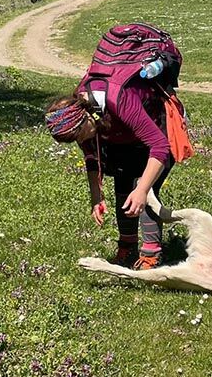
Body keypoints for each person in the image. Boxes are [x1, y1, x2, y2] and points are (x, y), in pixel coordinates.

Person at [47, 77, 173, 270]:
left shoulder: (119, 101)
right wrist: (96, 197)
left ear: (86, 118)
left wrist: (142, 189)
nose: (80, 140)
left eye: (79, 135)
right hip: (124, 139)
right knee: (123, 187)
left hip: (158, 133)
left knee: (146, 193)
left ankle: (151, 257)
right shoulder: (81, 115)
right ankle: (127, 250)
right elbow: (91, 156)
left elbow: (160, 147)